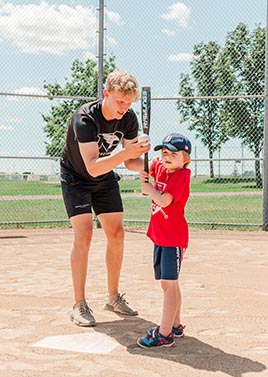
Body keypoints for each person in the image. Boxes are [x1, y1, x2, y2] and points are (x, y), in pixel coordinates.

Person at [60, 70, 150, 327]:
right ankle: (79, 304)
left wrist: (144, 158)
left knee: (117, 233)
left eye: (129, 103)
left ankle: (113, 297)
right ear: (106, 94)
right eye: (120, 101)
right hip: (77, 176)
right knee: (85, 234)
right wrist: (126, 154)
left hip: (105, 175)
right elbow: (92, 167)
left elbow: (132, 161)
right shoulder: (84, 118)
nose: (124, 108)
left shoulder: (129, 118)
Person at [137, 133, 191, 348]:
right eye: (164, 153)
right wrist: (139, 150)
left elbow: (164, 201)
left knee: (168, 284)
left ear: (185, 159)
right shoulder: (159, 167)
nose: (167, 157)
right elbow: (138, 165)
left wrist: (149, 189)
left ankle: (165, 334)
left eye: (174, 154)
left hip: (173, 238)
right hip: (160, 236)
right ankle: (176, 325)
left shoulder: (181, 176)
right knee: (169, 283)